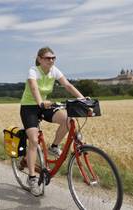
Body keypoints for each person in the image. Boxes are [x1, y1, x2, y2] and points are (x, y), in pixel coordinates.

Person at [20, 47, 85, 196]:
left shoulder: (54, 70)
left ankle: (54, 146)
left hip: (46, 105)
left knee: (69, 119)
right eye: (48, 58)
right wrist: (40, 102)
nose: (51, 60)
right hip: (29, 107)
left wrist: (83, 99)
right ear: (40, 59)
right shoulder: (33, 71)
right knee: (34, 141)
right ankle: (32, 178)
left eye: (53, 58)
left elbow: (68, 85)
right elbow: (34, 87)